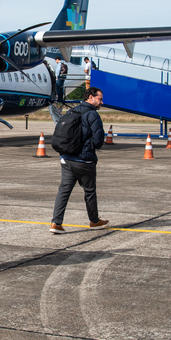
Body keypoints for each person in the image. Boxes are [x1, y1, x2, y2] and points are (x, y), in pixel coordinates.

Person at [49, 86, 109, 233]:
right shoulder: (92, 115)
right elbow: (99, 141)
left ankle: (56, 223)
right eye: (100, 99)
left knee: (64, 191)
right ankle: (94, 221)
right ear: (90, 98)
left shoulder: (72, 111)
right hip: (84, 161)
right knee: (89, 191)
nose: (101, 102)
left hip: (67, 159)